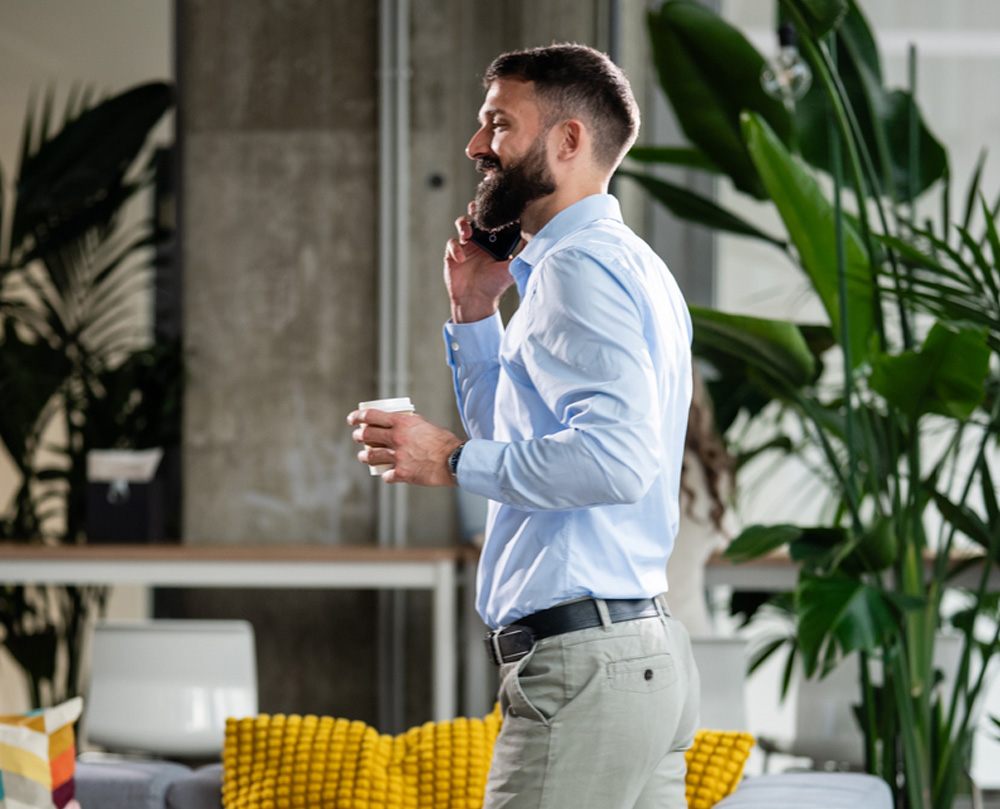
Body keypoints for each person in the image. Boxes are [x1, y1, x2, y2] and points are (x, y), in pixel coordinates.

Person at [348, 44, 698, 809]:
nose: (476, 145)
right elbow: (523, 441)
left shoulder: (577, 269)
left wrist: (449, 459)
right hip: (637, 658)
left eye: (500, 124)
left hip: (587, 671)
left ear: (569, 140)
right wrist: (475, 311)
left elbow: (616, 461)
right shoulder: (630, 264)